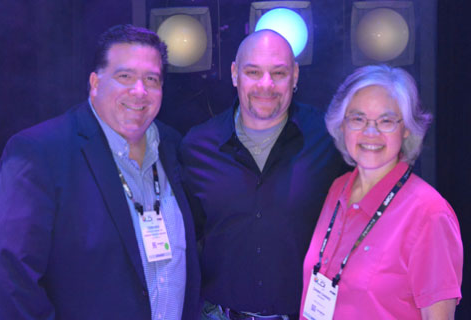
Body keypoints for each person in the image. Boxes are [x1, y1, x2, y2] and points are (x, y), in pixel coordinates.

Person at [0, 24, 200, 320]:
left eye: (151, 79)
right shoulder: (39, 152)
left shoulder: (173, 146)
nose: (139, 91)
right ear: (95, 83)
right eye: (124, 76)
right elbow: (7, 274)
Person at [180, 30, 344, 320]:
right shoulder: (197, 146)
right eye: (253, 72)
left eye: (278, 73)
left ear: (295, 75)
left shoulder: (330, 140)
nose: (265, 85)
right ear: (234, 74)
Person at [300, 65, 463, 320]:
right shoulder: (338, 188)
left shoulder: (429, 214)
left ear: (406, 128)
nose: (370, 132)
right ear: (342, 125)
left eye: (386, 121)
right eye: (358, 118)